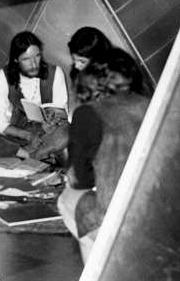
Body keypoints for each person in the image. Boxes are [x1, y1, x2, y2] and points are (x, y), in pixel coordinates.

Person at [58, 48, 150, 263]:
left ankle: (99, 274)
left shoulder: (88, 113)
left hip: (120, 223)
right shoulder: (151, 105)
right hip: (161, 214)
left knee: (67, 198)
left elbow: (80, 179)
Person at [0, 31, 69, 161]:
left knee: (68, 130)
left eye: (37, 56)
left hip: (47, 137)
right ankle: (29, 154)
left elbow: (62, 114)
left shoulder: (55, 72)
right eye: (26, 59)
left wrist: (53, 123)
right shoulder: (2, 76)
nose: (34, 64)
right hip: (18, 138)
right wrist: (28, 136)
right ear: (16, 59)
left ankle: (30, 154)